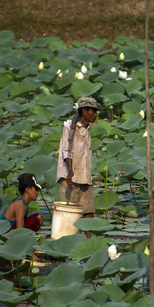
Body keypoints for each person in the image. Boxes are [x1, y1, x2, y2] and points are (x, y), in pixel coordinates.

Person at [56, 97, 100, 238]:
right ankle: (65, 241)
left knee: (89, 211)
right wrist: (70, 171)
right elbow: (65, 151)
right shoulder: (69, 127)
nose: (96, 114)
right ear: (85, 111)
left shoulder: (86, 129)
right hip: (71, 177)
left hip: (85, 177)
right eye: (93, 111)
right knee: (68, 213)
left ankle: (88, 240)